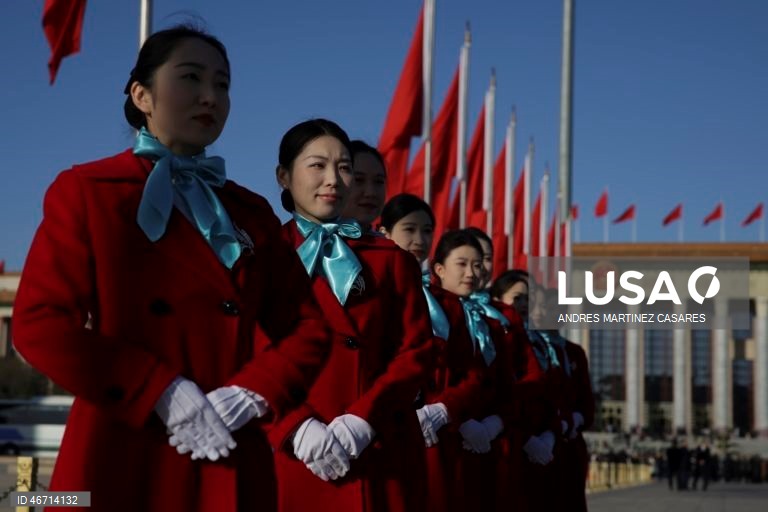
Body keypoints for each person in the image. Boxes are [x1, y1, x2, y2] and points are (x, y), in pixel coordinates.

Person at [12, 26, 332, 512]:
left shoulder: (251, 212)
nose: (211, 97)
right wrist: (156, 388)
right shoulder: (90, 191)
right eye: (191, 77)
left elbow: (309, 327)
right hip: (126, 442)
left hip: (229, 441)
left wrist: (255, 391)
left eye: (222, 84)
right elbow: (39, 325)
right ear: (142, 94)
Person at [271, 119, 435, 512]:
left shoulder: (392, 261)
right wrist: (295, 424)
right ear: (284, 177)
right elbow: (245, 348)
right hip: (293, 448)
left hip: (377, 444)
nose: (333, 179)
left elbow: (417, 352)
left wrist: (363, 418)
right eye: (317, 166)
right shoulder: (261, 252)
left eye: (344, 168)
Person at [380, 197, 492, 512]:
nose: (420, 239)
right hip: (380, 429)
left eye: (427, 231)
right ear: (385, 232)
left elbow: (472, 374)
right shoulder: (367, 290)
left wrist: (444, 408)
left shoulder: (448, 304)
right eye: (410, 229)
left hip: (437, 437)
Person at [341, 140, 387, 234]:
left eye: (378, 181)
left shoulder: (389, 248)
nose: (371, 193)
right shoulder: (314, 244)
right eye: (359, 180)